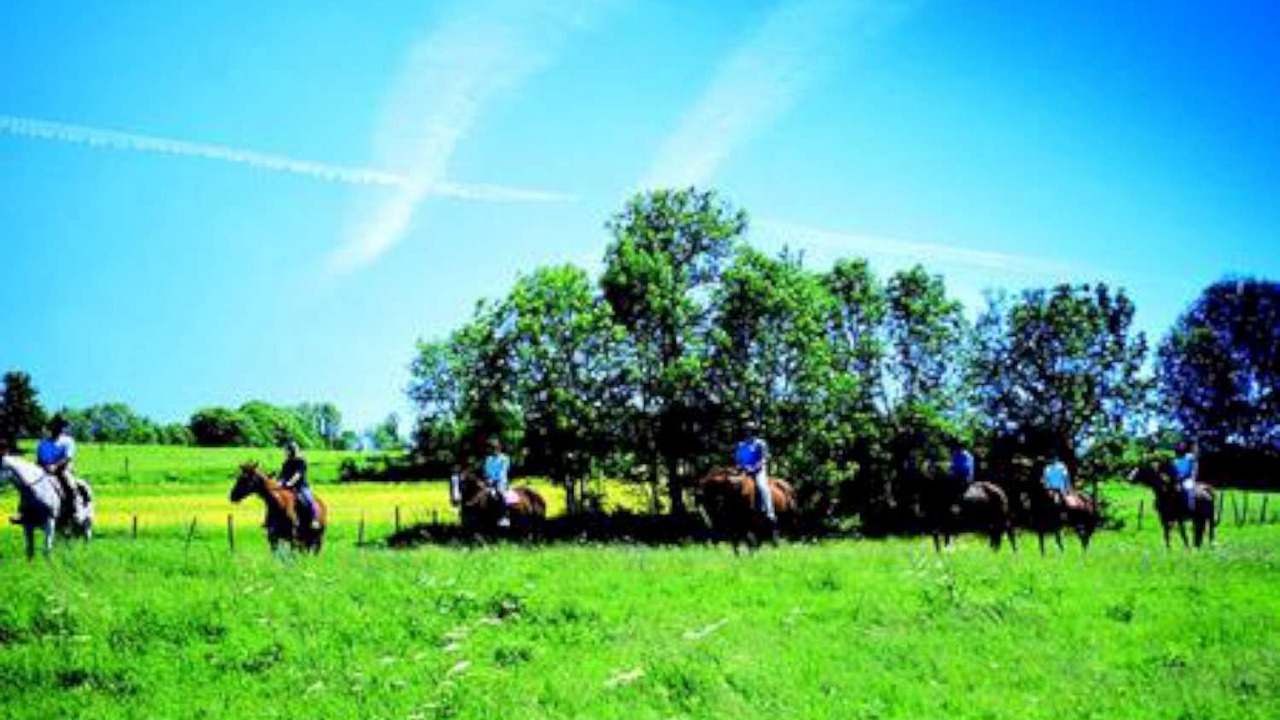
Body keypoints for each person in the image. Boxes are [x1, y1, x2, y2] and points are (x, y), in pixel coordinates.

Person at [11, 416, 78, 524]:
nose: (57, 429)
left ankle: (73, 511)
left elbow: (67, 457)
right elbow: (39, 458)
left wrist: (55, 466)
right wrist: (40, 466)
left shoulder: (68, 441)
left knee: (70, 485)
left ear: (62, 428)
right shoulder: (43, 442)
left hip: (63, 469)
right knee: (27, 485)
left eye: (59, 427)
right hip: (44, 468)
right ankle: (23, 513)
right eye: (55, 427)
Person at [734, 420, 775, 526]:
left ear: (754, 431)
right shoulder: (741, 445)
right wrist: (741, 466)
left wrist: (754, 468)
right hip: (744, 470)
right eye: (747, 430)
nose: (748, 432)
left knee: (761, 486)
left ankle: (769, 512)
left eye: (751, 430)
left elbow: (764, 459)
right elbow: (738, 459)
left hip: (758, 470)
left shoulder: (760, 443)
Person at [278, 440, 320, 530]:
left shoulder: (301, 462)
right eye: (285, 450)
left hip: (301, 487)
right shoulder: (286, 463)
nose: (285, 452)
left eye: (287, 450)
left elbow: (298, 474)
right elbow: (281, 475)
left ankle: (314, 519)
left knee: (309, 500)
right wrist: (279, 482)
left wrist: (290, 483)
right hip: (286, 487)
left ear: (292, 451)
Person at [483, 437, 512, 527]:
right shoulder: (488, 459)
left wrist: (495, 480)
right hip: (489, 481)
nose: (493, 450)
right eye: (491, 448)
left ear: (499, 448)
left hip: (501, 482)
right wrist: (488, 479)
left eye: (495, 447)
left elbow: (503, 472)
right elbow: (486, 471)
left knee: (500, 492)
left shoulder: (505, 458)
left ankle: (504, 517)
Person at [1170, 441, 1199, 512]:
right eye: (1179, 447)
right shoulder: (1174, 459)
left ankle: (1191, 508)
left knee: (1189, 489)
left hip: (1187, 479)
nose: (1180, 449)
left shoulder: (1190, 457)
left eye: (1182, 447)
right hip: (1176, 479)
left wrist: (1186, 476)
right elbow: (1173, 470)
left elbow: (1193, 469)